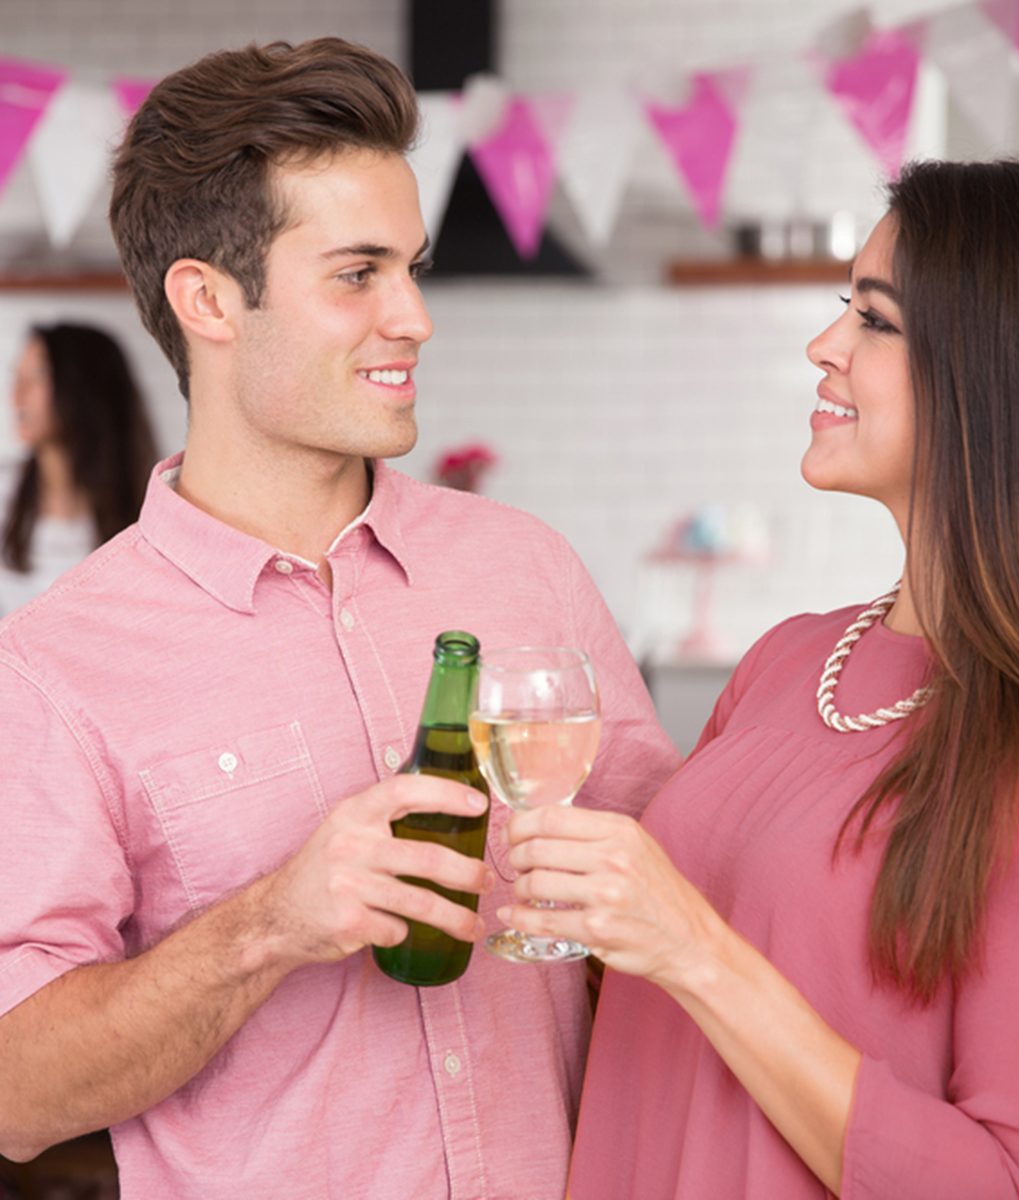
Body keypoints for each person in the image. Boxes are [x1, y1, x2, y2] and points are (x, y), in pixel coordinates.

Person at [0, 38, 678, 1200]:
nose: (415, 317)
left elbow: (676, 896)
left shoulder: (528, 569)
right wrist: (274, 921)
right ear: (209, 300)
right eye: (359, 273)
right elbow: (16, 1096)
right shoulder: (55, 666)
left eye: (410, 267)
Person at [501, 160, 1019, 1199]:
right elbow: (660, 1015)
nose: (823, 347)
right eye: (846, 310)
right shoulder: (789, 659)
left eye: (875, 321)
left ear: (1008, 373)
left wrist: (692, 947)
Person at [2, 323, 157, 613]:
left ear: (84, 387)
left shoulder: (153, 509)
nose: (16, 397)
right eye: (17, 377)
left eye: (36, 376)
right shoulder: (5, 495)